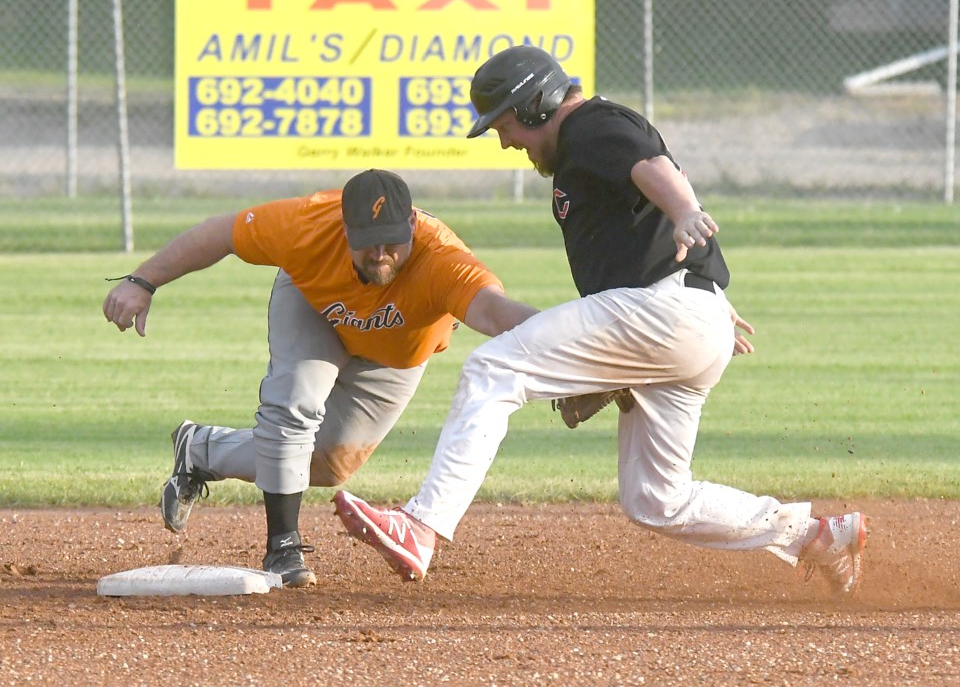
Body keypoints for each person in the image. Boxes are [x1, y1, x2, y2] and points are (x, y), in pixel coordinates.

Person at [332, 46, 868, 598]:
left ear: (538, 105)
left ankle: (421, 525)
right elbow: (649, 198)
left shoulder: (591, 125)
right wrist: (704, 291)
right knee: (657, 500)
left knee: (493, 368)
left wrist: (687, 219)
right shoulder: (586, 144)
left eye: (507, 124)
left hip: (664, 311)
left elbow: (656, 170)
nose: (506, 140)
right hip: (685, 318)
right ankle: (815, 536)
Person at [102, 169, 538, 588]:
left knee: (328, 464)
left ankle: (200, 450)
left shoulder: (441, 257)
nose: (380, 254)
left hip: (396, 352)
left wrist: (578, 347)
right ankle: (282, 547)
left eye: (391, 241)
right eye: (367, 243)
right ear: (345, 228)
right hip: (316, 309)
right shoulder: (307, 224)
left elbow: (494, 310)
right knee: (294, 405)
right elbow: (220, 234)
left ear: (412, 223)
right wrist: (144, 280)